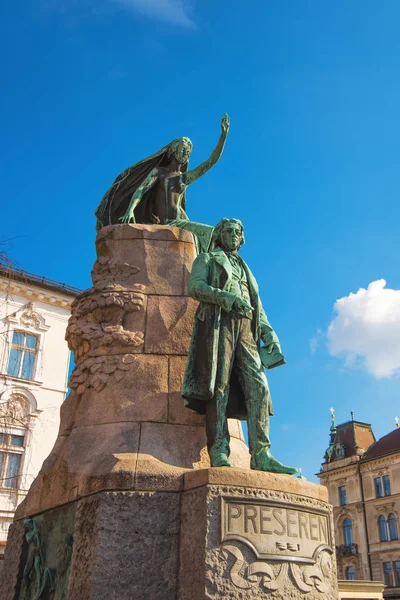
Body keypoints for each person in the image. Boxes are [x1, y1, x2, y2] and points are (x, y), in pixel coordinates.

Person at [182, 218, 297, 474]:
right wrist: (226, 298)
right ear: (219, 234)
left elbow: (258, 307)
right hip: (219, 323)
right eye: (228, 231)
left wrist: (270, 334)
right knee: (219, 387)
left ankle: (261, 454)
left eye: (237, 232)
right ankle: (220, 449)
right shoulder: (208, 259)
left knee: (259, 388)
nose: (233, 235)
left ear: (242, 238)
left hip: (247, 329)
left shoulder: (247, 269)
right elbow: (195, 287)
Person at [95, 114, 230, 232]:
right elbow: (141, 190)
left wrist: (223, 136)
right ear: (172, 150)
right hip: (167, 223)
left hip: (182, 223)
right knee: (211, 233)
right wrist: (130, 210)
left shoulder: (184, 178)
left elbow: (210, 162)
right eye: (183, 148)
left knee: (214, 235)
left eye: (188, 151)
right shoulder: (159, 173)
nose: (186, 152)